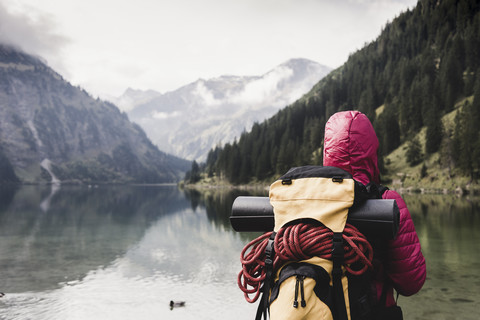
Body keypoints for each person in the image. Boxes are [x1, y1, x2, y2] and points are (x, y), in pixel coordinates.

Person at [323, 110, 426, 316]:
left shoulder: (308, 200)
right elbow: (411, 283)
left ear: (328, 149)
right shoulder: (387, 201)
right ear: (371, 150)